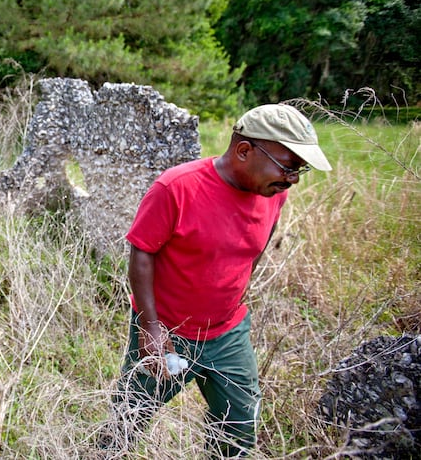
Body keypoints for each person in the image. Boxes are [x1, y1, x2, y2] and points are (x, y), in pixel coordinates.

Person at [108, 104, 332, 457]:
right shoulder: (176, 188)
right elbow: (142, 252)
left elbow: (255, 246)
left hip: (228, 335)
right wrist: (150, 327)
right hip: (167, 333)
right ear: (244, 151)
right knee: (127, 422)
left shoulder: (273, 192)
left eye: (299, 170)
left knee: (238, 432)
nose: (293, 179)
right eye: (289, 166)